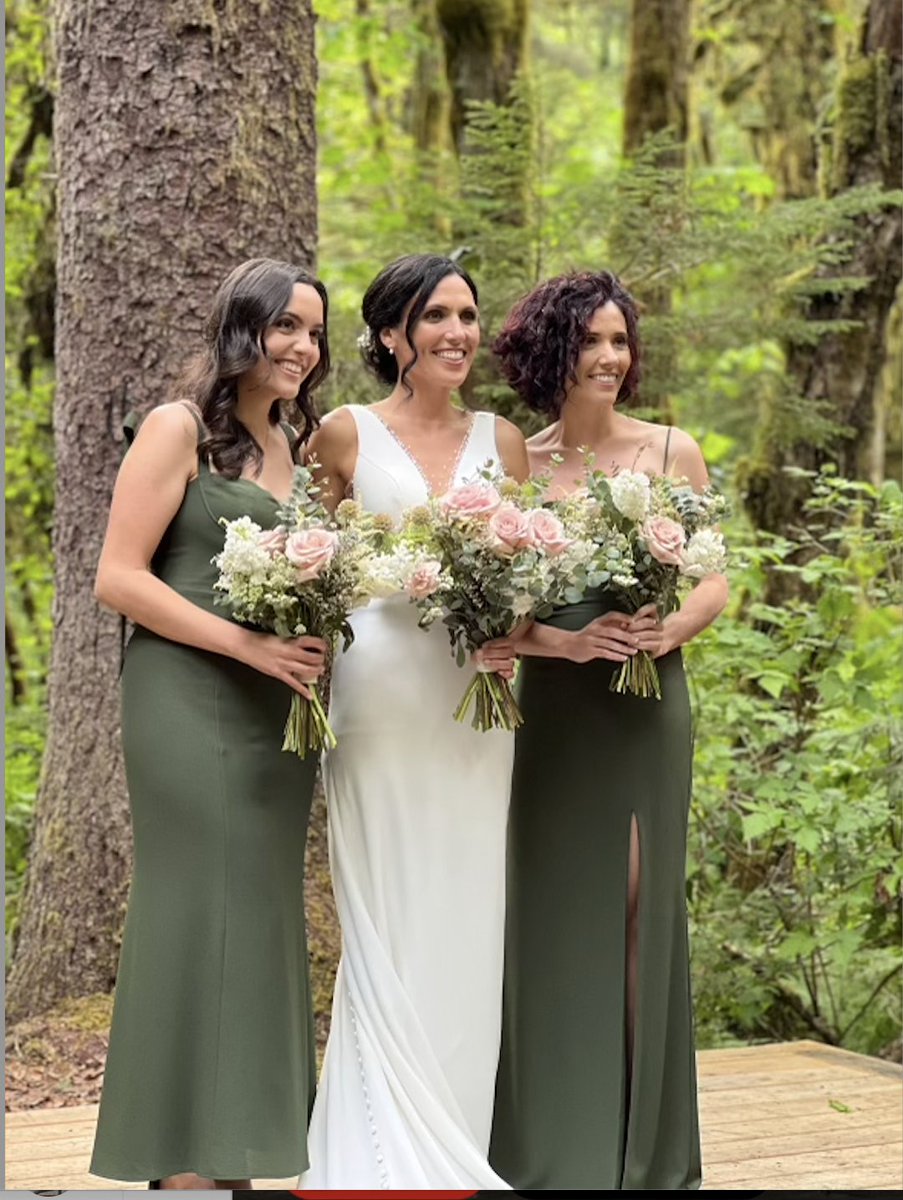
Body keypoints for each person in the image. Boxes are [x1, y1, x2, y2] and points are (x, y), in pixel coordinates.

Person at [90, 258, 331, 1190]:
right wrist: (247, 646)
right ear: (242, 328)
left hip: (278, 705)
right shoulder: (176, 428)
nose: (302, 349)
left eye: (313, 333)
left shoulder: (298, 457)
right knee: (195, 904)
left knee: (260, 912)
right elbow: (119, 576)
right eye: (286, 328)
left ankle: (235, 1147)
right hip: (185, 696)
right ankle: (178, 1162)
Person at [488, 270, 728, 1190]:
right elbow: (499, 617)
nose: (609, 357)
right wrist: (565, 641)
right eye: (590, 341)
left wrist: (671, 627)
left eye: (619, 341)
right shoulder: (519, 463)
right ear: (553, 351)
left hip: (645, 707)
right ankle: (555, 1146)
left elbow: (712, 576)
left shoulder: (671, 450)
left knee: (635, 911)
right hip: (553, 711)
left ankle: (640, 1151)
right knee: (550, 915)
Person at [297, 253, 528, 1189]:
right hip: (379, 696)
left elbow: (523, 573)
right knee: (385, 911)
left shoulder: (503, 440)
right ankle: (371, 1150)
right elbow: (308, 567)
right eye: (436, 316)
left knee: (467, 905)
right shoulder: (343, 435)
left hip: (476, 707)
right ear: (392, 333)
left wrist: (511, 630)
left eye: (468, 316)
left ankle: (453, 1148)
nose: (458, 334)